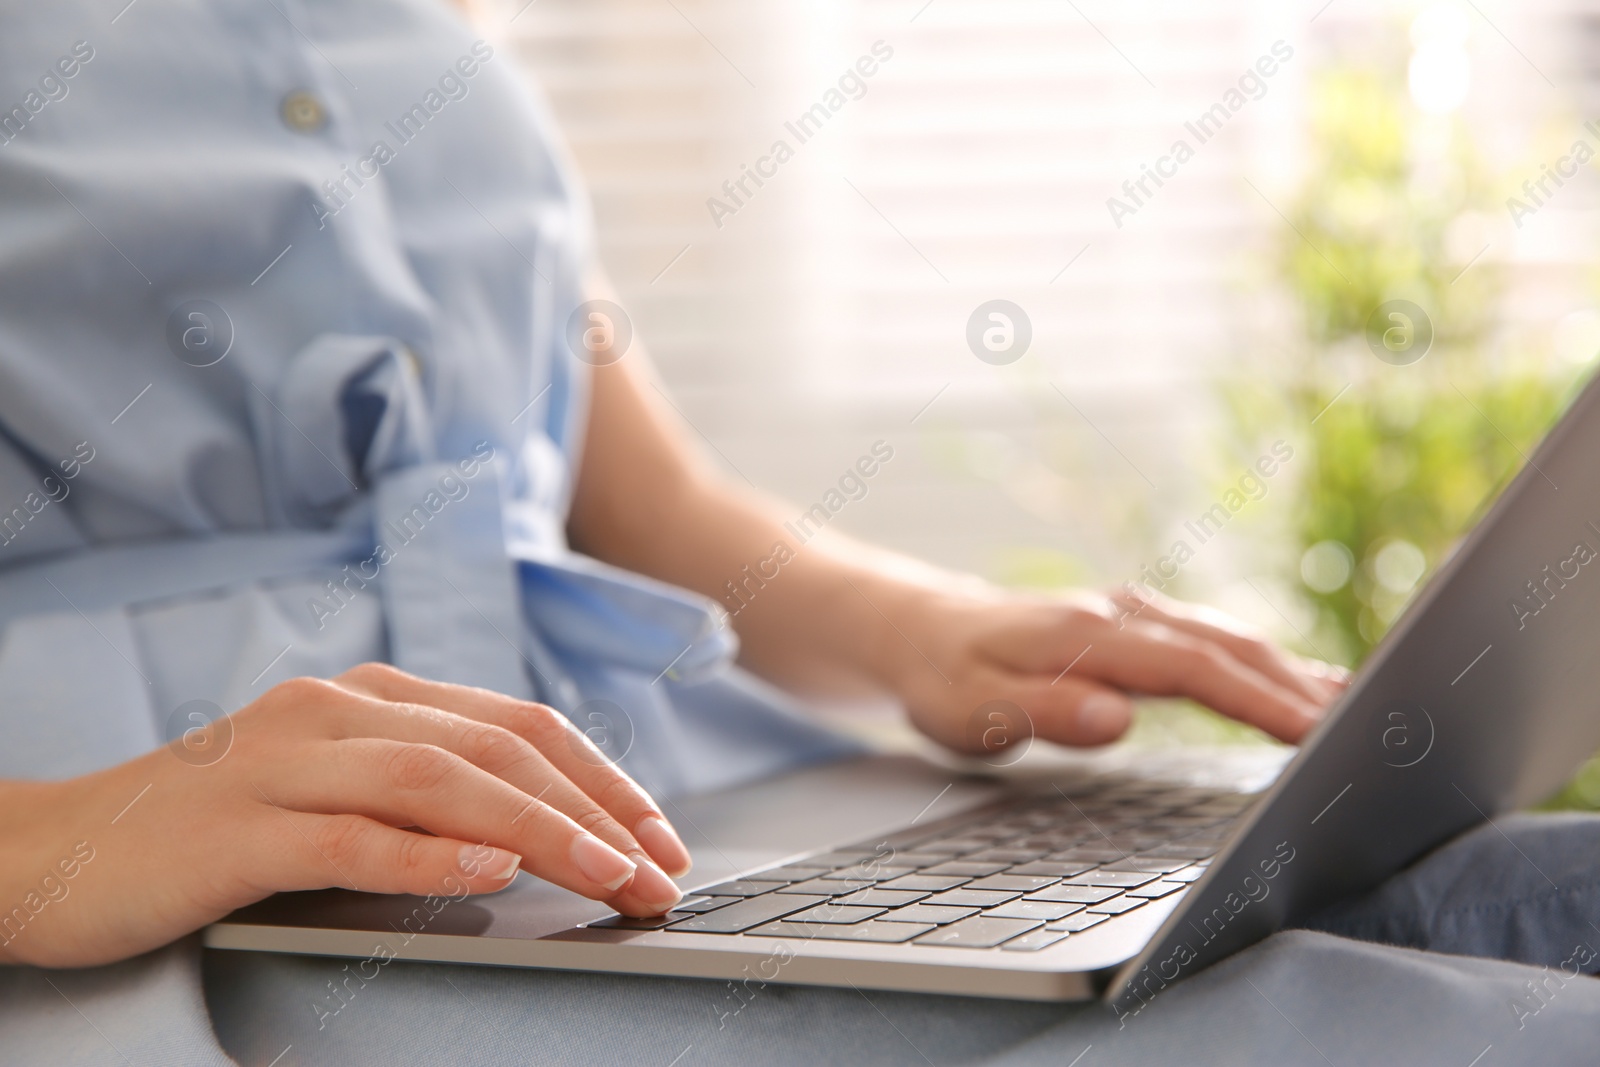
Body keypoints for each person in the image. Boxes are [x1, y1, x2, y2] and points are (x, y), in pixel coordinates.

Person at [0, 2, 1596, 1064]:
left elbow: (655, 504)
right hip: (228, 907)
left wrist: (930, 629)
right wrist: (49, 846)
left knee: (1535, 899)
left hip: (659, 828)